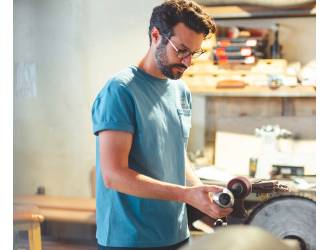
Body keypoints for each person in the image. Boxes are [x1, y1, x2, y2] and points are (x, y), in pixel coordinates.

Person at [91, 1, 232, 249]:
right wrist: (185, 195)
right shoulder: (121, 91)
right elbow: (114, 175)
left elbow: (177, 157)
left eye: (194, 53)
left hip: (175, 234)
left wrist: (203, 196)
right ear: (156, 35)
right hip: (129, 239)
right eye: (181, 50)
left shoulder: (180, 91)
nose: (187, 62)